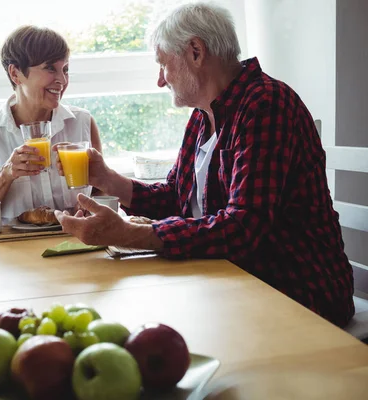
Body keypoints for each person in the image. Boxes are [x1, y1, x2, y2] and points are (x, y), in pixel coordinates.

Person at [54, 3, 355, 327]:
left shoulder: (266, 105)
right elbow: (176, 197)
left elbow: (244, 227)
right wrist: (107, 178)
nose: (160, 80)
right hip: (228, 280)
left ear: (195, 51)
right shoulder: (202, 117)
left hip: (293, 291)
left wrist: (129, 234)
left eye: (163, 64)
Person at [0, 26, 102, 229]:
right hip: (15, 252)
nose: (62, 80)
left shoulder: (82, 122)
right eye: (50, 68)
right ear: (16, 73)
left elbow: (102, 192)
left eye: (65, 70)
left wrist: (90, 207)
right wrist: (5, 175)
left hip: (75, 243)